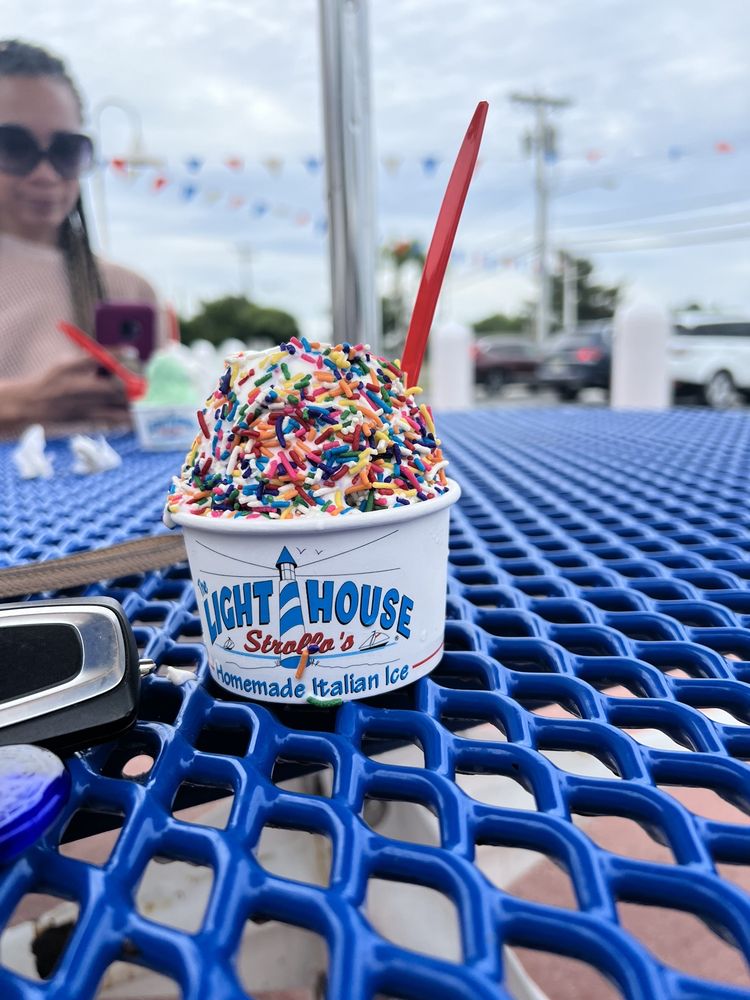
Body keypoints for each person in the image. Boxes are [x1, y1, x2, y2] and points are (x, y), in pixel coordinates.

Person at [0, 39, 161, 430]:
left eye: (66, 151)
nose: (46, 174)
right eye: (13, 146)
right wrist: (18, 404)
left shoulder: (131, 288)